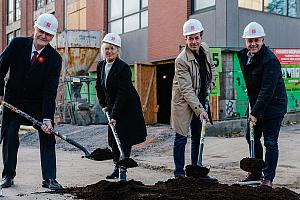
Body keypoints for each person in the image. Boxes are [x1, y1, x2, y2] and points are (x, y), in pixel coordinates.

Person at [0, 13, 63, 190]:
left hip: (37, 104)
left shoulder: (55, 59)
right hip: (13, 101)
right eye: (41, 31)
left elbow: (49, 92)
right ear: (34, 28)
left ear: (52, 36)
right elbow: (0, 67)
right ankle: (8, 176)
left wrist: (47, 118)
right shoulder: (17, 44)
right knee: (10, 135)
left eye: (48, 34)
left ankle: (49, 178)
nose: (44, 36)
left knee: (48, 135)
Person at [237, 22, 287, 187]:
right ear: (245, 41)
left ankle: (267, 178)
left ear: (262, 39)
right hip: (257, 101)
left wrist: (255, 113)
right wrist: (250, 88)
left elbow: (268, 89)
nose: (252, 44)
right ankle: (256, 172)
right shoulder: (246, 56)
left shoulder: (270, 60)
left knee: (270, 141)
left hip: (274, 104)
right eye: (249, 40)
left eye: (256, 40)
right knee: (251, 137)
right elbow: (255, 79)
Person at [95, 33, 147, 181]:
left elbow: (123, 93)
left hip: (127, 106)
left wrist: (115, 115)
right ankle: (116, 167)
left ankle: (122, 170)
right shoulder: (100, 65)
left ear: (117, 51)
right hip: (112, 105)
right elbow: (99, 86)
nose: (109, 51)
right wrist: (104, 105)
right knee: (113, 139)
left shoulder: (123, 68)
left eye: (112, 48)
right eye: (106, 48)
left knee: (124, 139)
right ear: (103, 50)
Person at [170, 19, 215, 178]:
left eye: (196, 37)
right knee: (181, 136)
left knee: (198, 135)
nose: (194, 41)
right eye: (190, 38)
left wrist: (211, 81)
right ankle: (179, 173)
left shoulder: (206, 49)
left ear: (201, 36)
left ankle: (196, 170)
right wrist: (200, 110)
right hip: (183, 101)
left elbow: (212, 68)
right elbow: (186, 89)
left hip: (200, 97)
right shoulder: (181, 60)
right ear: (186, 39)